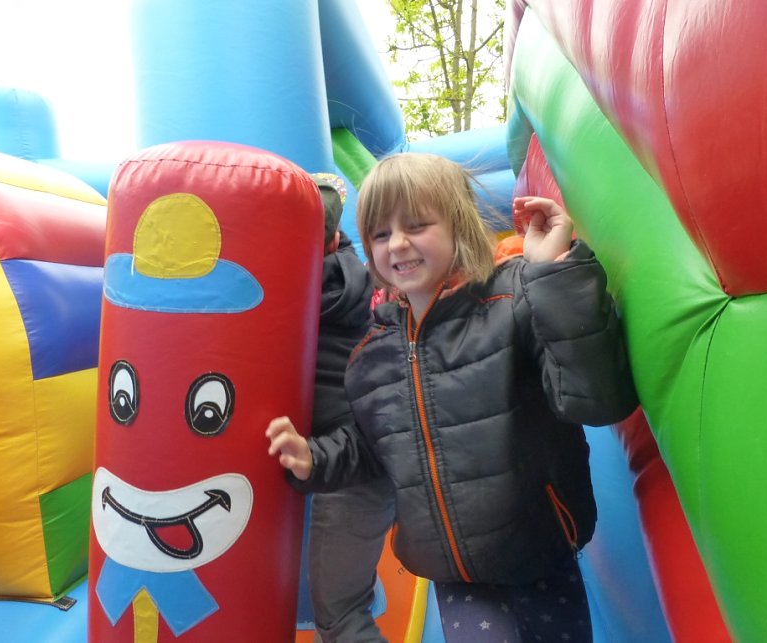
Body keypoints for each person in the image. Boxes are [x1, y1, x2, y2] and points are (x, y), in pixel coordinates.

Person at [269, 154, 638, 642]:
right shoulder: (373, 352)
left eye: (417, 225)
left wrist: (553, 273)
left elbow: (596, 399)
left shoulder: (514, 301)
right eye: (380, 235)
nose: (397, 244)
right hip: (455, 574)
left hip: (538, 548)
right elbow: (372, 447)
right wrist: (312, 458)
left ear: (459, 225)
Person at [304, 173, 395, 643]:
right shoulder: (350, 273)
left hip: (351, 463)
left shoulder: (300, 289)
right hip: (365, 454)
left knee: (340, 615)